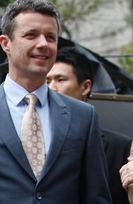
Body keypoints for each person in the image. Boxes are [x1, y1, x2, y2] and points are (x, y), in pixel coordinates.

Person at [0, 0, 111, 203]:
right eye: (31, 35)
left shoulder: (83, 116)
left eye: (51, 37)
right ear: (5, 43)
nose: (43, 44)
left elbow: (96, 197)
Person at [47, 46, 131, 204]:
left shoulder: (119, 147)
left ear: (85, 87)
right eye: (46, 81)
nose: (51, 88)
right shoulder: (33, 139)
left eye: (60, 79)